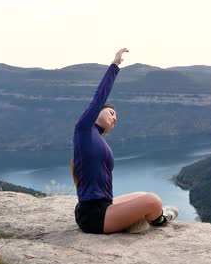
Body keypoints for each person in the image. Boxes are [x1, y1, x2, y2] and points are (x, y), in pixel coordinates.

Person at [72, 48, 178, 234]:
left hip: (105, 205)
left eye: (116, 119)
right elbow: (99, 96)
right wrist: (114, 65)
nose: (114, 119)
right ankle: (160, 219)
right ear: (97, 111)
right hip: (93, 216)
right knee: (153, 201)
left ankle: (138, 219)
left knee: (143, 195)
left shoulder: (96, 139)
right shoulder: (84, 129)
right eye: (111, 113)